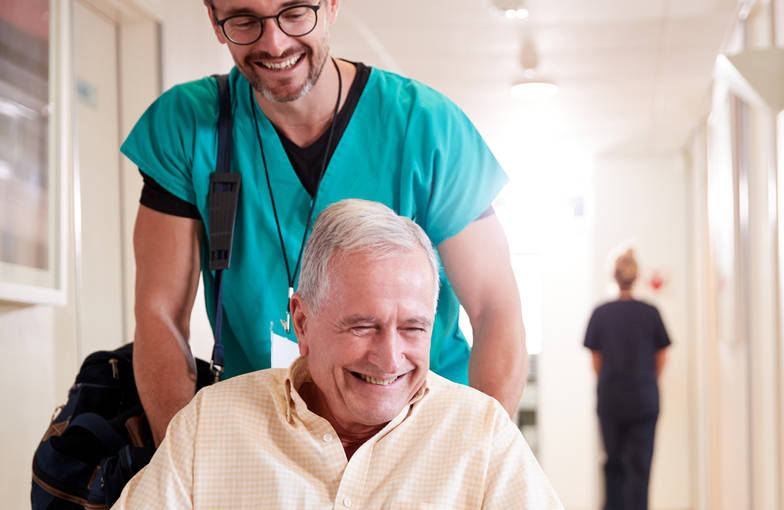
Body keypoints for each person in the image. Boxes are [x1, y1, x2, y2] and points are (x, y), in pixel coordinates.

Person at [61, 200, 603, 510]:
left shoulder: (478, 431)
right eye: (363, 325)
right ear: (302, 322)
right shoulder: (213, 424)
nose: (390, 358)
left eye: (413, 328)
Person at [128, 0, 527, 444]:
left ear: (332, 4)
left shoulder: (425, 127)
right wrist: (184, 462)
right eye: (244, 21)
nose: (274, 43)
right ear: (214, 19)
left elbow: (495, 308)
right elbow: (159, 313)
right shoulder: (188, 126)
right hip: (264, 436)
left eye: (295, 12)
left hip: (421, 432)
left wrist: (484, 460)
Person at [582, 249, 671, 510]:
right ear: (637, 275)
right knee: (641, 467)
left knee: (613, 463)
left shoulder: (601, 313)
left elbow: (597, 361)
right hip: (645, 398)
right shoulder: (651, 313)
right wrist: (646, 381)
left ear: (614, 276)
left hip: (612, 399)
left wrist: (612, 382)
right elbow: (661, 357)